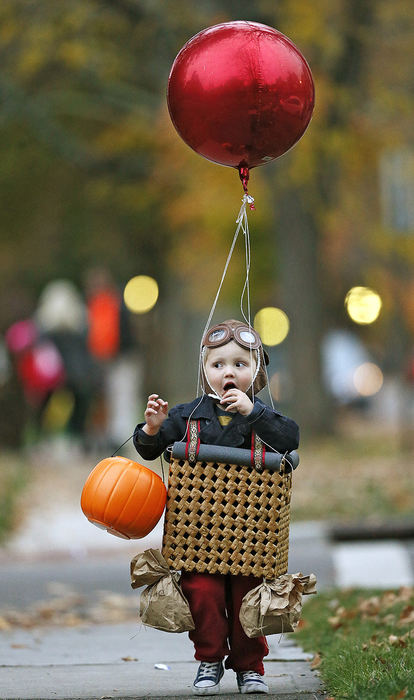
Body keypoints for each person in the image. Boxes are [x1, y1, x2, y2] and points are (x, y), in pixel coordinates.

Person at [133, 319, 299, 696]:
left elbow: (291, 438)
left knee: (247, 599)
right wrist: (153, 430)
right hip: (198, 530)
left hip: (252, 529)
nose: (229, 372)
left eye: (240, 365)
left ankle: (249, 666)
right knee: (202, 594)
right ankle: (209, 657)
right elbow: (149, 450)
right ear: (205, 370)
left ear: (255, 372)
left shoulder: (262, 416)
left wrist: (252, 412)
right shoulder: (188, 415)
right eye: (218, 364)